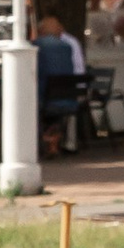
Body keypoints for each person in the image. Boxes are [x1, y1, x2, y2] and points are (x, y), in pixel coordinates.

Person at [34, 11, 86, 155]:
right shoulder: (68, 45)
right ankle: (62, 142)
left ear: (42, 31)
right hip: (69, 93)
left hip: (52, 96)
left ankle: (43, 140)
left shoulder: (40, 46)